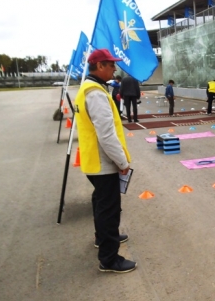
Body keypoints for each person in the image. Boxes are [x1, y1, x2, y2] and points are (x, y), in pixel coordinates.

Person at [74, 48, 136, 273]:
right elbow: (107, 135)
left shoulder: (87, 88)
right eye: (110, 65)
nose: (114, 68)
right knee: (109, 210)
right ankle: (109, 259)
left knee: (101, 202)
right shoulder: (96, 94)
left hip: (94, 161)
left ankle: (102, 238)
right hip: (103, 162)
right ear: (99, 66)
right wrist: (122, 162)